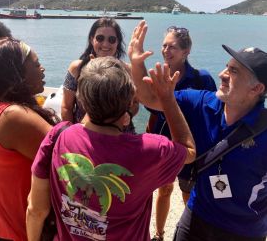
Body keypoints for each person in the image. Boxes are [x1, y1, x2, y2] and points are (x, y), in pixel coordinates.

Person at [26, 56, 196, 241]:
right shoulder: (150, 150)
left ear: (81, 98)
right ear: (131, 101)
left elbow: (36, 210)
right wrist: (167, 99)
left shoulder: (59, 135)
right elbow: (189, 151)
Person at [129, 20, 267, 241]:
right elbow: (151, 98)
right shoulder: (202, 102)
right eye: (226, 66)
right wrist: (136, 62)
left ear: (257, 88)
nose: (222, 74)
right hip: (197, 215)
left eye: (233, 71)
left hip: (243, 231)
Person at [0, 37, 58, 241]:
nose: (42, 69)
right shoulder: (12, 117)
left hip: (0, 227)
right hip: (26, 231)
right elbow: (70, 156)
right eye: (35, 63)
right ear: (16, 72)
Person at [147, 26, 216, 241]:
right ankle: (159, 234)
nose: (166, 50)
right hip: (165, 142)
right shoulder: (158, 75)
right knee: (164, 190)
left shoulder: (201, 79)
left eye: (172, 47)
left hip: (191, 146)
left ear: (186, 51)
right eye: (164, 45)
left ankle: (192, 232)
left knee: (188, 194)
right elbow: (152, 108)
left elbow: (213, 111)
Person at [61, 17, 127, 123]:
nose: (105, 44)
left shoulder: (126, 70)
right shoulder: (77, 68)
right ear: (92, 39)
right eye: (100, 38)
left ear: (117, 42)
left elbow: (135, 104)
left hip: (119, 134)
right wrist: (72, 135)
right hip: (84, 133)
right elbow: (66, 107)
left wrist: (129, 113)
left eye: (111, 39)